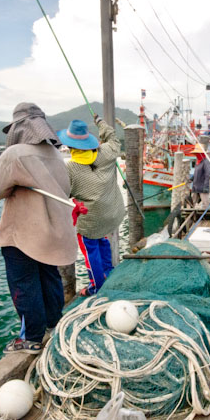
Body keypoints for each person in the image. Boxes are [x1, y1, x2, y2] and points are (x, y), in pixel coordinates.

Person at [0, 103, 78, 353]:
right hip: (52, 232)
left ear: (18, 128)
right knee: (49, 278)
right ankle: (52, 325)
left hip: (23, 235)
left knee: (24, 284)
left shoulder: (15, 155)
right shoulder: (56, 155)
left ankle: (31, 338)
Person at [58, 115, 124, 297]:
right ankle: (108, 273)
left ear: (70, 146)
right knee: (103, 240)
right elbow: (114, 139)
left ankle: (96, 286)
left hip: (91, 219)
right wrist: (101, 123)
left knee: (90, 251)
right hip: (112, 213)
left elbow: (65, 193)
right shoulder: (106, 153)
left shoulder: (69, 168)